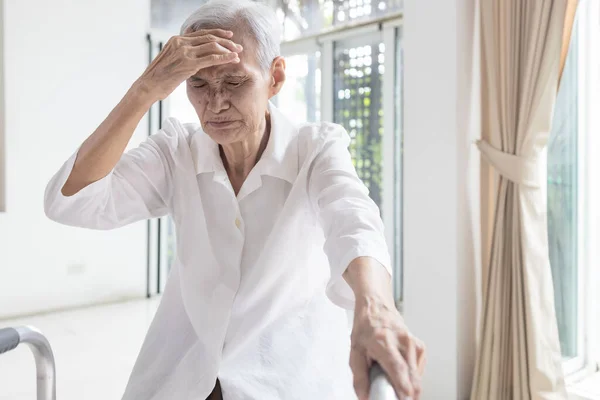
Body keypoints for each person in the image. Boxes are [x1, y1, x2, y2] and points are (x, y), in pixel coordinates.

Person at [44, 1, 425, 399]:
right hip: (181, 379)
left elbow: (354, 221)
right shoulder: (177, 151)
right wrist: (143, 91)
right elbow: (71, 200)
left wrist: (376, 306)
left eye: (235, 82)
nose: (216, 104)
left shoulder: (315, 150)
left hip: (287, 382)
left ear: (275, 77)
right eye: (199, 85)